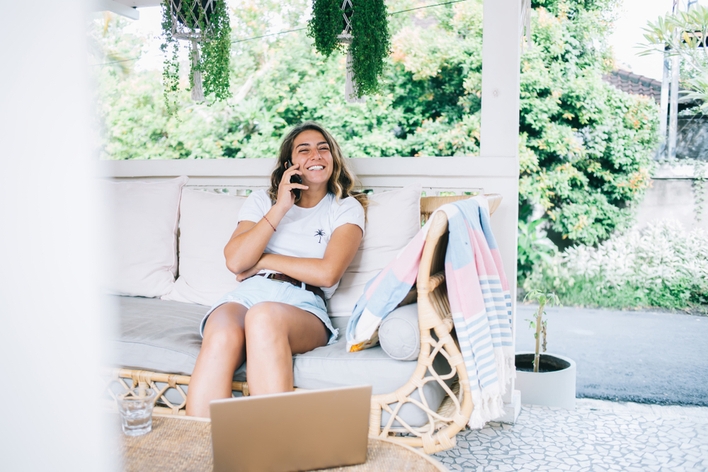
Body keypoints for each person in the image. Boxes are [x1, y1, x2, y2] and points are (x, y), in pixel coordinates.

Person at [185, 122, 366, 417]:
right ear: (289, 165)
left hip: (303, 302)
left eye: (324, 149)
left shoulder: (346, 208)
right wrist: (281, 206)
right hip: (249, 293)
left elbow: (327, 273)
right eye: (304, 150)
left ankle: (272, 451)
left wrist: (265, 261)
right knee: (220, 335)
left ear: (333, 159)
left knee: (263, 316)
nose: (316, 155)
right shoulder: (262, 201)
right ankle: (203, 449)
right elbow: (235, 261)